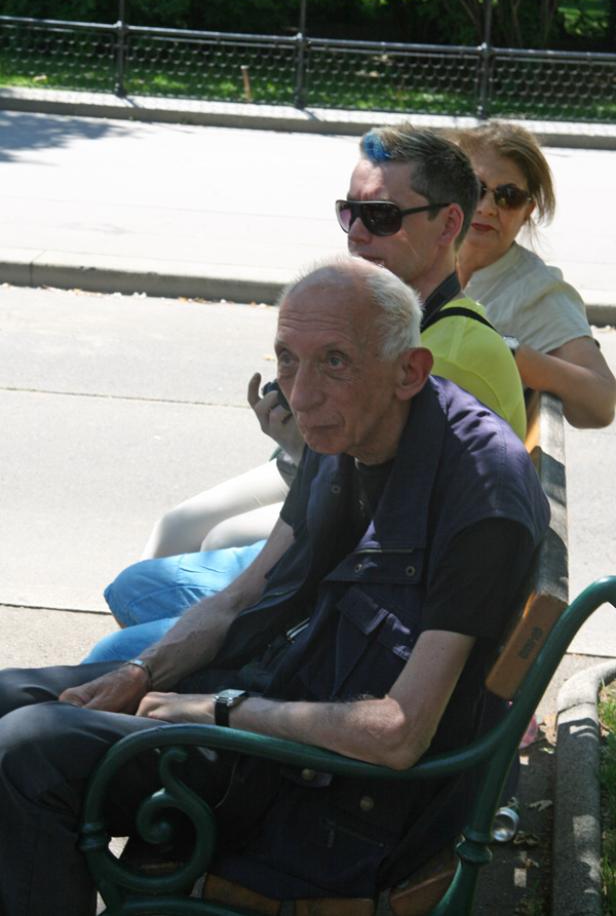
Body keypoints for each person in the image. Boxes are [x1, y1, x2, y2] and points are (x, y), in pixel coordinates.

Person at [0, 258, 549, 915]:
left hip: (322, 792)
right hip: (270, 700)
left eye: (335, 362)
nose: (301, 394)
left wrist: (220, 710)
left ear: (411, 371)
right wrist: (142, 672)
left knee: (29, 753)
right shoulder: (342, 431)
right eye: (288, 359)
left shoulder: (479, 493)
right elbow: (242, 596)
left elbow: (402, 732)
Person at [89, 125, 526, 662]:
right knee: (135, 585)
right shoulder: (412, 326)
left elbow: (387, 528)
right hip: (332, 553)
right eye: (350, 214)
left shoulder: (444, 356)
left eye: (382, 216)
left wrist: (304, 444)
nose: (357, 235)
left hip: (350, 595)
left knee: (114, 653)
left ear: (448, 224)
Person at [454, 121, 616, 429]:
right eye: (475, 188)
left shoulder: (539, 290)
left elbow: (602, 401)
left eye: (508, 196)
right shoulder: (424, 254)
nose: (487, 207)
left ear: (528, 209)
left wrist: (506, 348)